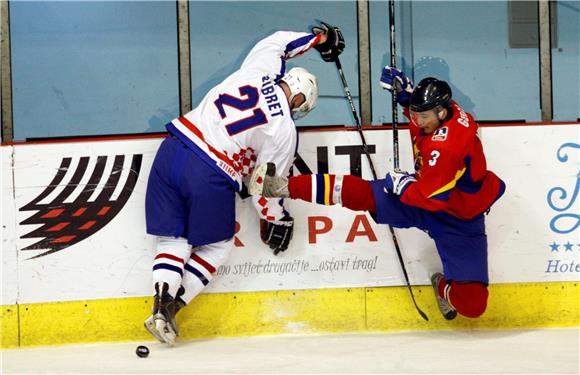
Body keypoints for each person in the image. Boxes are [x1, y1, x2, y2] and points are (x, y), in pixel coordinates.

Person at [144, 22, 345, 345]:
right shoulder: (284, 130)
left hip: (172, 148)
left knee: (173, 238)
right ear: (301, 104)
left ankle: (159, 301)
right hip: (209, 171)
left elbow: (279, 42)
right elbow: (264, 190)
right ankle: (170, 309)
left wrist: (319, 39)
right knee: (217, 245)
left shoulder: (258, 70)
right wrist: (277, 218)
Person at [249, 67, 506, 320]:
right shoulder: (447, 111)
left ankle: (440, 285)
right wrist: (406, 95)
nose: (417, 122)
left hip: (457, 215)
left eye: (423, 116)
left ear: (440, 113)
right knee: (361, 193)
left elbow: (431, 198)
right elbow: (428, 179)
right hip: (429, 194)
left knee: (472, 305)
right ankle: (282, 186)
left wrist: (402, 184)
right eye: (416, 115)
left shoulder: (447, 146)